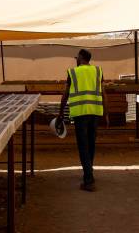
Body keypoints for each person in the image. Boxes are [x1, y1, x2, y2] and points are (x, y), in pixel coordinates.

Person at [57, 48, 106, 191]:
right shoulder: (98, 71)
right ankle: (88, 174)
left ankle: (89, 180)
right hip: (95, 112)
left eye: (76, 57)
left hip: (80, 114)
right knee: (91, 144)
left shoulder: (73, 72)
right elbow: (104, 93)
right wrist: (106, 113)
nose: (76, 60)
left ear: (81, 57)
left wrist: (61, 113)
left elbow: (65, 94)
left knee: (83, 146)